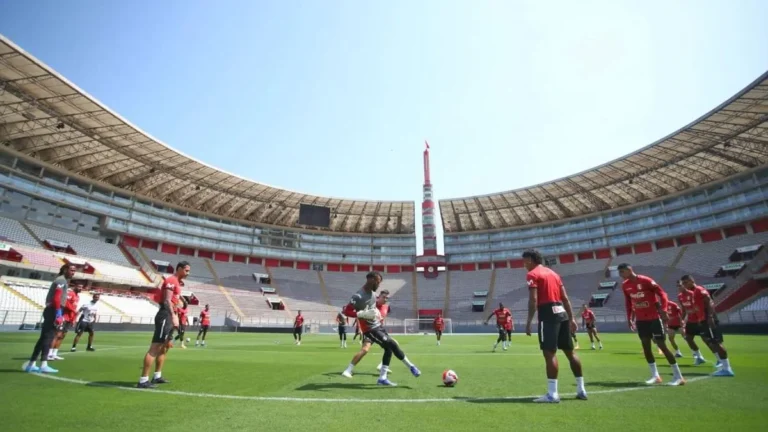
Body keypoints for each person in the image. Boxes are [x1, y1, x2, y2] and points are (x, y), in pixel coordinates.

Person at [523, 250, 586, 403]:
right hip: (562, 312)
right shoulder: (554, 274)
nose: (523, 265)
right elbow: (565, 298)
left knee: (549, 353)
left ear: (530, 260)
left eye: (524, 261)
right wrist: (571, 319)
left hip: (547, 314)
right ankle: (581, 390)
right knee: (570, 353)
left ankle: (552, 394)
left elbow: (533, 300)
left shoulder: (533, 274)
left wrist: (529, 321)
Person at [342, 273, 419, 386]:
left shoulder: (374, 295)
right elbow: (347, 311)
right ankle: (411, 366)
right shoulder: (358, 296)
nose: (378, 284)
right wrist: (361, 314)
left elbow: (373, 309)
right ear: (370, 279)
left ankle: (382, 378)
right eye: (377, 281)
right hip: (369, 329)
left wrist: (376, 314)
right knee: (389, 343)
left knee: (389, 349)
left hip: (378, 326)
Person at [618, 263, 685, 386]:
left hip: (654, 318)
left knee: (662, 345)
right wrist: (630, 319)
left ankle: (678, 376)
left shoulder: (646, 280)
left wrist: (664, 309)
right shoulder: (625, 285)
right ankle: (655, 376)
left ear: (629, 270)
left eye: (622, 272)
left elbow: (662, 294)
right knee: (646, 347)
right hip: (640, 320)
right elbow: (628, 302)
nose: (620, 275)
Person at [137, 261, 189, 389]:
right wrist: (174, 316)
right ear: (180, 269)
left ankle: (157, 376)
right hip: (166, 315)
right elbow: (166, 300)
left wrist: (179, 305)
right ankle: (143, 380)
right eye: (187, 270)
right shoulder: (171, 280)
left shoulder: (176, 283)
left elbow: (173, 299)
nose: (188, 273)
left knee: (165, 347)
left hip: (170, 316)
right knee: (155, 347)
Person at [23, 264, 76, 373]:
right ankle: (43, 364)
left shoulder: (62, 280)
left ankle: (32, 364)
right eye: (71, 270)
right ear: (65, 269)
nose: (73, 272)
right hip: (53, 310)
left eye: (74, 271)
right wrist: (58, 313)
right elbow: (57, 297)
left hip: (53, 309)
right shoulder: (61, 280)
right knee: (48, 337)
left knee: (43, 338)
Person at [678, 275, 734, 376]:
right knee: (713, 342)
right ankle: (724, 367)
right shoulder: (694, 293)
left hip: (708, 320)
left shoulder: (699, 290)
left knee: (716, 343)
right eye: (683, 284)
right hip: (703, 320)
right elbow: (699, 307)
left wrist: (710, 317)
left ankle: (727, 369)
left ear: (691, 281)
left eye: (686, 283)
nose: (685, 286)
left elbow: (710, 302)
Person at [50, 284, 81, 360]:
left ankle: (54, 354)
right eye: (79, 286)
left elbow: (74, 308)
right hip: (64, 317)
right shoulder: (70, 293)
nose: (80, 288)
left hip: (69, 319)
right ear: (75, 286)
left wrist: (73, 319)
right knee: (57, 335)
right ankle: (49, 354)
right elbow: (65, 303)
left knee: (62, 336)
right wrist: (74, 311)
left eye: (81, 287)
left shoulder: (78, 297)